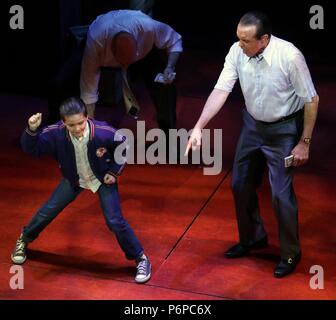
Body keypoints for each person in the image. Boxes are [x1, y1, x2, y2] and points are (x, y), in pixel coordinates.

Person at [185, 11, 319, 278]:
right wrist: (199, 126)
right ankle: (252, 238)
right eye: (238, 38)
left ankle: (291, 252)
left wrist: (304, 142)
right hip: (252, 126)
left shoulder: (289, 56)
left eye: (245, 40)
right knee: (239, 184)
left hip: (283, 130)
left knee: (280, 195)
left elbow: (311, 100)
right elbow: (221, 89)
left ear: (264, 39)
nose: (239, 44)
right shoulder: (236, 52)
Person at [11, 97, 151, 284]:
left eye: (80, 123)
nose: (77, 129)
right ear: (63, 123)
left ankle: (140, 258)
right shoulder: (56, 134)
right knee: (47, 211)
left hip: (101, 179)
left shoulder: (102, 132)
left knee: (115, 221)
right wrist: (32, 130)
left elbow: (124, 143)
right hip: (74, 179)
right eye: (71, 125)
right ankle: (24, 239)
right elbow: (32, 150)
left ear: (87, 117)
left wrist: (114, 171)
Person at [80, 9, 183, 137]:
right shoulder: (96, 42)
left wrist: (170, 66)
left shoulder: (148, 27)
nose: (126, 66)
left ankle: (169, 140)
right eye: (123, 63)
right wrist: (90, 131)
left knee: (165, 88)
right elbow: (88, 91)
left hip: (143, 55)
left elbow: (175, 41)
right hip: (101, 42)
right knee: (64, 81)